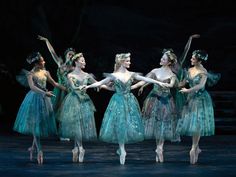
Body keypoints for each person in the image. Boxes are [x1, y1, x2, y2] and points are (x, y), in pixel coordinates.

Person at [82, 53, 164, 165]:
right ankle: (122, 149)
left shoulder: (129, 74)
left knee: (124, 123)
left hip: (124, 101)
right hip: (122, 101)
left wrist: (158, 82)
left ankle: (122, 149)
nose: (129, 62)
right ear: (121, 62)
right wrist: (87, 86)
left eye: (129, 61)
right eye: (127, 61)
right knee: (121, 123)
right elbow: (100, 83)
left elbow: (146, 79)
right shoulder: (115, 75)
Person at [13, 52, 66, 164]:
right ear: (37, 64)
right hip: (34, 99)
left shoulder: (45, 72)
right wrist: (44, 93)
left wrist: (67, 89)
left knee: (39, 124)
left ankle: (33, 147)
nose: (44, 62)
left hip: (44, 99)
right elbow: (32, 87)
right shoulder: (30, 74)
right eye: (42, 61)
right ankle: (40, 150)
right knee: (35, 124)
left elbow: (55, 83)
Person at [131, 49, 180, 163]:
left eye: (163, 59)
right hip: (154, 100)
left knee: (163, 123)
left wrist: (164, 84)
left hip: (165, 101)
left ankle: (160, 148)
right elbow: (146, 80)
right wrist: (137, 87)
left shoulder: (172, 74)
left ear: (168, 62)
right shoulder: (155, 70)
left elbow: (172, 85)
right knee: (156, 123)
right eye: (162, 58)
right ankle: (159, 148)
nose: (161, 59)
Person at [176, 50, 220, 164]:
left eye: (193, 58)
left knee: (197, 123)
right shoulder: (189, 70)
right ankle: (195, 147)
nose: (191, 59)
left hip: (200, 99)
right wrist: (173, 82)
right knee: (195, 123)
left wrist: (187, 90)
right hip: (191, 99)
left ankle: (194, 147)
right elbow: (182, 83)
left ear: (199, 60)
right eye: (191, 58)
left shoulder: (203, 71)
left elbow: (200, 86)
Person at [57, 53, 102, 163]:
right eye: (82, 60)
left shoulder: (87, 75)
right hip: (73, 101)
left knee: (78, 126)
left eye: (84, 60)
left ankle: (79, 148)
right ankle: (77, 148)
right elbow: (73, 87)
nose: (84, 62)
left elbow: (98, 83)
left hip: (83, 102)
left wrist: (109, 85)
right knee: (75, 126)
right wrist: (80, 87)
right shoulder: (70, 75)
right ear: (76, 62)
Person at [38, 35, 76, 141]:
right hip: (59, 89)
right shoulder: (60, 64)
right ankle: (47, 130)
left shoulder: (73, 68)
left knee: (66, 112)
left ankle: (63, 133)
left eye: (73, 55)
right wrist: (47, 41)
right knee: (53, 110)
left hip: (68, 91)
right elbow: (52, 52)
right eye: (69, 54)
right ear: (66, 55)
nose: (71, 56)